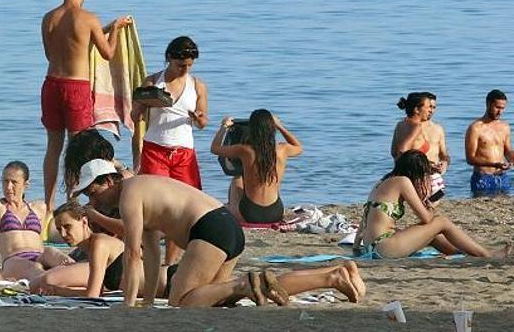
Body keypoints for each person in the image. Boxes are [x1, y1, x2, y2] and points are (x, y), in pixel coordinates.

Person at [65, 159, 366, 308]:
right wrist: (143, 306)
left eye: (91, 192)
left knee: (180, 302)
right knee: (219, 298)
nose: (92, 201)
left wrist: (128, 311)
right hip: (226, 226)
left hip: (209, 228)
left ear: (107, 181)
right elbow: (151, 252)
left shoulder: (129, 194)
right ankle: (332, 276)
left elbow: (131, 256)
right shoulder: (141, 188)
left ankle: (247, 285)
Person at [40, 0, 131, 211]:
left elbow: (51, 54)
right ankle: (70, 201)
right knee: (77, 147)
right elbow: (108, 53)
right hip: (76, 86)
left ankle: (49, 204)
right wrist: (116, 30)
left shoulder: (49, 18)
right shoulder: (89, 18)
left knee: (53, 147)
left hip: (51, 84)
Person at [130, 36, 208, 263]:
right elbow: (134, 117)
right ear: (169, 59)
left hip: (184, 151)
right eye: (180, 65)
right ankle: (152, 257)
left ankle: (170, 262)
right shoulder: (153, 81)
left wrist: (198, 118)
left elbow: (203, 122)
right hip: (156, 148)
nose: (185, 69)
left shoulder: (198, 86)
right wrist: (146, 100)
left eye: (189, 66)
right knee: (155, 207)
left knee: (181, 208)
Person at [354, 150, 511, 259]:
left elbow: (365, 218)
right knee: (440, 221)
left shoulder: (382, 183)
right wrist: (433, 204)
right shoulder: (403, 181)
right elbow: (427, 218)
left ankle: (463, 254)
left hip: (372, 246)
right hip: (384, 247)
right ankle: (487, 255)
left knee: (431, 234)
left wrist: (356, 247)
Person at [30, 200, 174, 298]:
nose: (63, 234)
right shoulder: (92, 252)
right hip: (166, 289)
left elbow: (92, 295)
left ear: (84, 222)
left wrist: (57, 290)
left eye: (67, 227)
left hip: (171, 281)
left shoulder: (99, 244)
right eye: (59, 229)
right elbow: (98, 292)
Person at [0, 161, 74, 280]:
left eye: (14, 182)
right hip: (13, 260)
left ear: (26, 185)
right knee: (34, 267)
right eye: (5, 181)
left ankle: (83, 276)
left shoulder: (39, 207)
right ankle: (53, 280)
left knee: (54, 254)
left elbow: (40, 241)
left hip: (40, 255)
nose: (9, 187)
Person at [210, 111, 302, 224]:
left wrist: (224, 127)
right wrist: (279, 125)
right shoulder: (282, 149)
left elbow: (215, 148)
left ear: (252, 129)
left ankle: (232, 208)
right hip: (276, 213)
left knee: (237, 180)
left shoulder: (245, 150)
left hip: (249, 214)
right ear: (271, 128)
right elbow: (298, 147)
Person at [391, 92, 449, 203]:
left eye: (433, 107)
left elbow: (394, 152)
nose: (430, 111)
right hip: (419, 178)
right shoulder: (416, 126)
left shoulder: (400, 125)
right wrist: (427, 165)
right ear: (417, 110)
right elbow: (402, 150)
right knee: (430, 210)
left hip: (402, 176)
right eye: (428, 107)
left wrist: (443, 163)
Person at [465, 89, 513, 195]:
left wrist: (511, 160)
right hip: (483, 178)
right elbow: (470, 158)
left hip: (502, 176)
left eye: (502, 108)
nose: (500, 112)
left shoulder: (504, 127)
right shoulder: (475, 128)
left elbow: (508, 150)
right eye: (497, 107)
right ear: (488, 104)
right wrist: (494, 164)